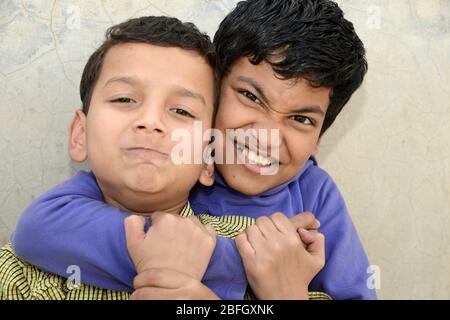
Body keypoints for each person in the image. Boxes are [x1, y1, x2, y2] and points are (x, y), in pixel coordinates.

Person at [11, 0, 375, 300]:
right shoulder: (156, 169)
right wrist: (240, 263)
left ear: (319, 138)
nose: (266, 136)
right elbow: (41, 227)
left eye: (301, 119)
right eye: (250, 96)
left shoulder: (314, 195)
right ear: (214, 90)